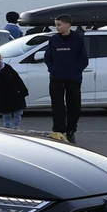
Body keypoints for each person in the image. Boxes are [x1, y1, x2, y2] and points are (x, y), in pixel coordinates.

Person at [44, 13, 88, 143]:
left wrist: (75, 72)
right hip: (56, 79)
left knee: (73, 106)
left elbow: (83, 59)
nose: (57, 27)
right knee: (57, 106)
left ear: (68, 25)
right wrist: (53, 70)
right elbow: (48, 57)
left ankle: (71, 130)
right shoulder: (53, 40)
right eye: (56, 25)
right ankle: (59, 131)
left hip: (73, 79)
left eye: (59, 25)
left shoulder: (78, 39)